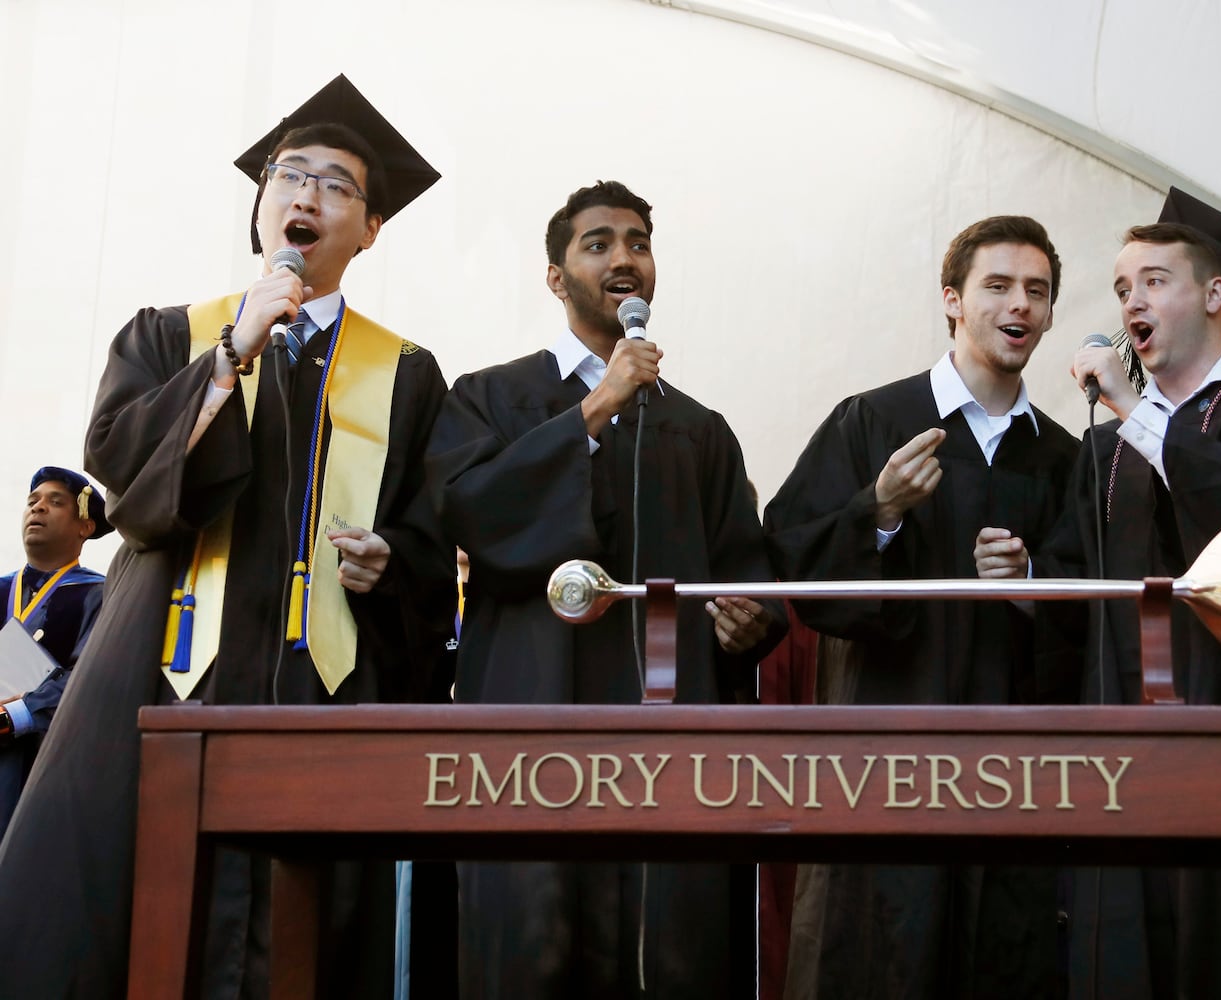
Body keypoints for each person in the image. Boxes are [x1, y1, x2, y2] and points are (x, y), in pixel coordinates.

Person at [0, 76, 456, 999]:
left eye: (335, 185)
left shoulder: (406, 375)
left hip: (323, 691)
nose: (306, 195)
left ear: (368, 230)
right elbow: (124, 478)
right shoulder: (172, 335)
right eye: (289, 175)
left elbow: (432, 526)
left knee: (308, 940)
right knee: (108, 912)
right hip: (157, 671)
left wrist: (394, 560)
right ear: (261, 205)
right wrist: (230, 355)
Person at [425, 179, 785, 998]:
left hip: (669, 743)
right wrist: (595, 409)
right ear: (556, 277)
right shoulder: (490, 397)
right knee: (528, 939)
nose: (624, 258)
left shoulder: (699, 428)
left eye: (637, 242)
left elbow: (749, 571)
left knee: (671, 948)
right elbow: (470, 515)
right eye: (598, 243)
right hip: (528, 721)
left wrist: (747, 621)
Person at [765, 215, 1079, 998]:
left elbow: (1091, 612)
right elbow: (789, 552)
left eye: (1037, 291)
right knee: (878, 945)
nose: (1021, 305)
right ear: (952, 300)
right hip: (886, 753)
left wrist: (1034, 580)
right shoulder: (876, 420)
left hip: (1015, 772)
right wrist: (878, 509)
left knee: (1005, 947)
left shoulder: (1067, 456)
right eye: (998, 286)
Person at [1040, 194, 1221, 999]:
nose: (1131, 300)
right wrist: (1021, 573)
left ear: (1213, 295)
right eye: (1123, 285)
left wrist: (1136, 410)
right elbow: (1075, 580)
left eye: (1155, 280)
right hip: (1122, 726)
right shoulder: (1102, 446)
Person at [0, 466, 110, 835]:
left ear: (85, 526)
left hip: (43, 764)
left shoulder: (99, 594)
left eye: (55, 501)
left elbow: (92, 676)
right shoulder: (1, 590)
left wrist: (15, 714)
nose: (38, 508)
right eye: (32, 501)